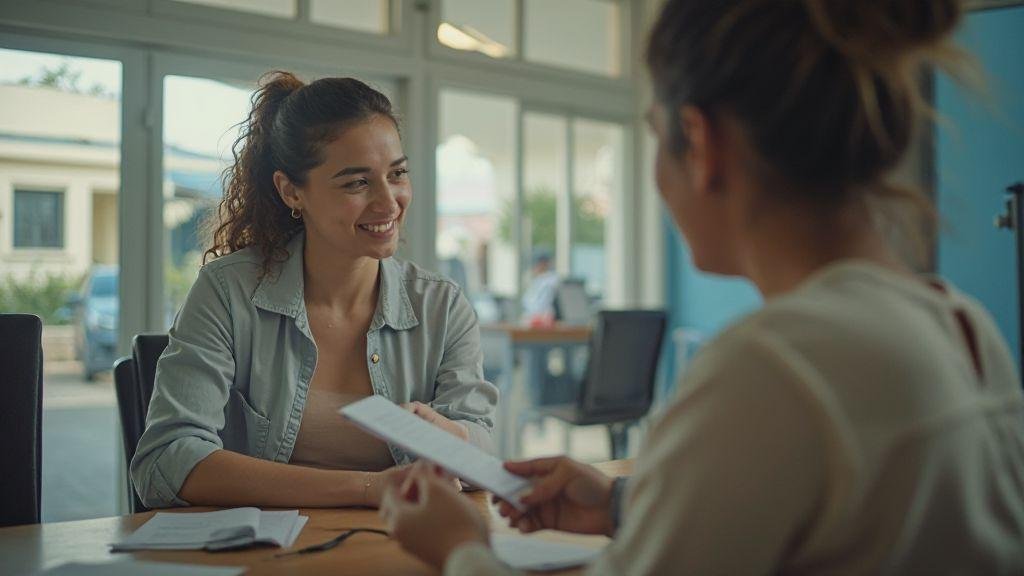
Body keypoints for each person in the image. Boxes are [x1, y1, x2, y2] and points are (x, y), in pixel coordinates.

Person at [379, 1, 1024, 573]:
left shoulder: (770, 369)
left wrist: (461, 548)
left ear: (699, 141)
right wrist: (621, 503)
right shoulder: (963, 326)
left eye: (657, 137)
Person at [131, 72, 498, 509]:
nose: (388, 202)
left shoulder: (441, 305)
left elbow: (481, 452)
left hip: (395, 547)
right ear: (291, 191)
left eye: (396, 173)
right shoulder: (228, 292)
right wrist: (366, 489)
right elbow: (167, 461)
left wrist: (455, 440)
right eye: (356, 183)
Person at [520, 250, 559, 325]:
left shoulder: (551, 281)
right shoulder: (537, 280)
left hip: (543, 322)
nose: (534, 268)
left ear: (543, 264)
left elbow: (539, 307)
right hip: (532, 321)